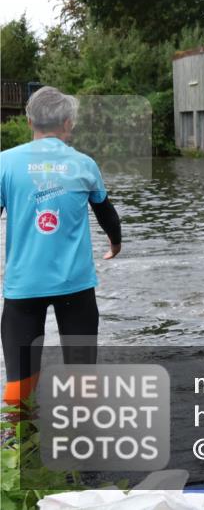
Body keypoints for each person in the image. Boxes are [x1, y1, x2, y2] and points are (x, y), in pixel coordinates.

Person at [1, 87, 122, 421]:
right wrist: (115, 244)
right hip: (76, 287)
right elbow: (106, 213)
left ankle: (19, 456)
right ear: (68, 123)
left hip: (23, 287)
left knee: (20, 385)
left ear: (29, 121)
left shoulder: (5, 163)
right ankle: (85, 452)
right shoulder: (84, 164)